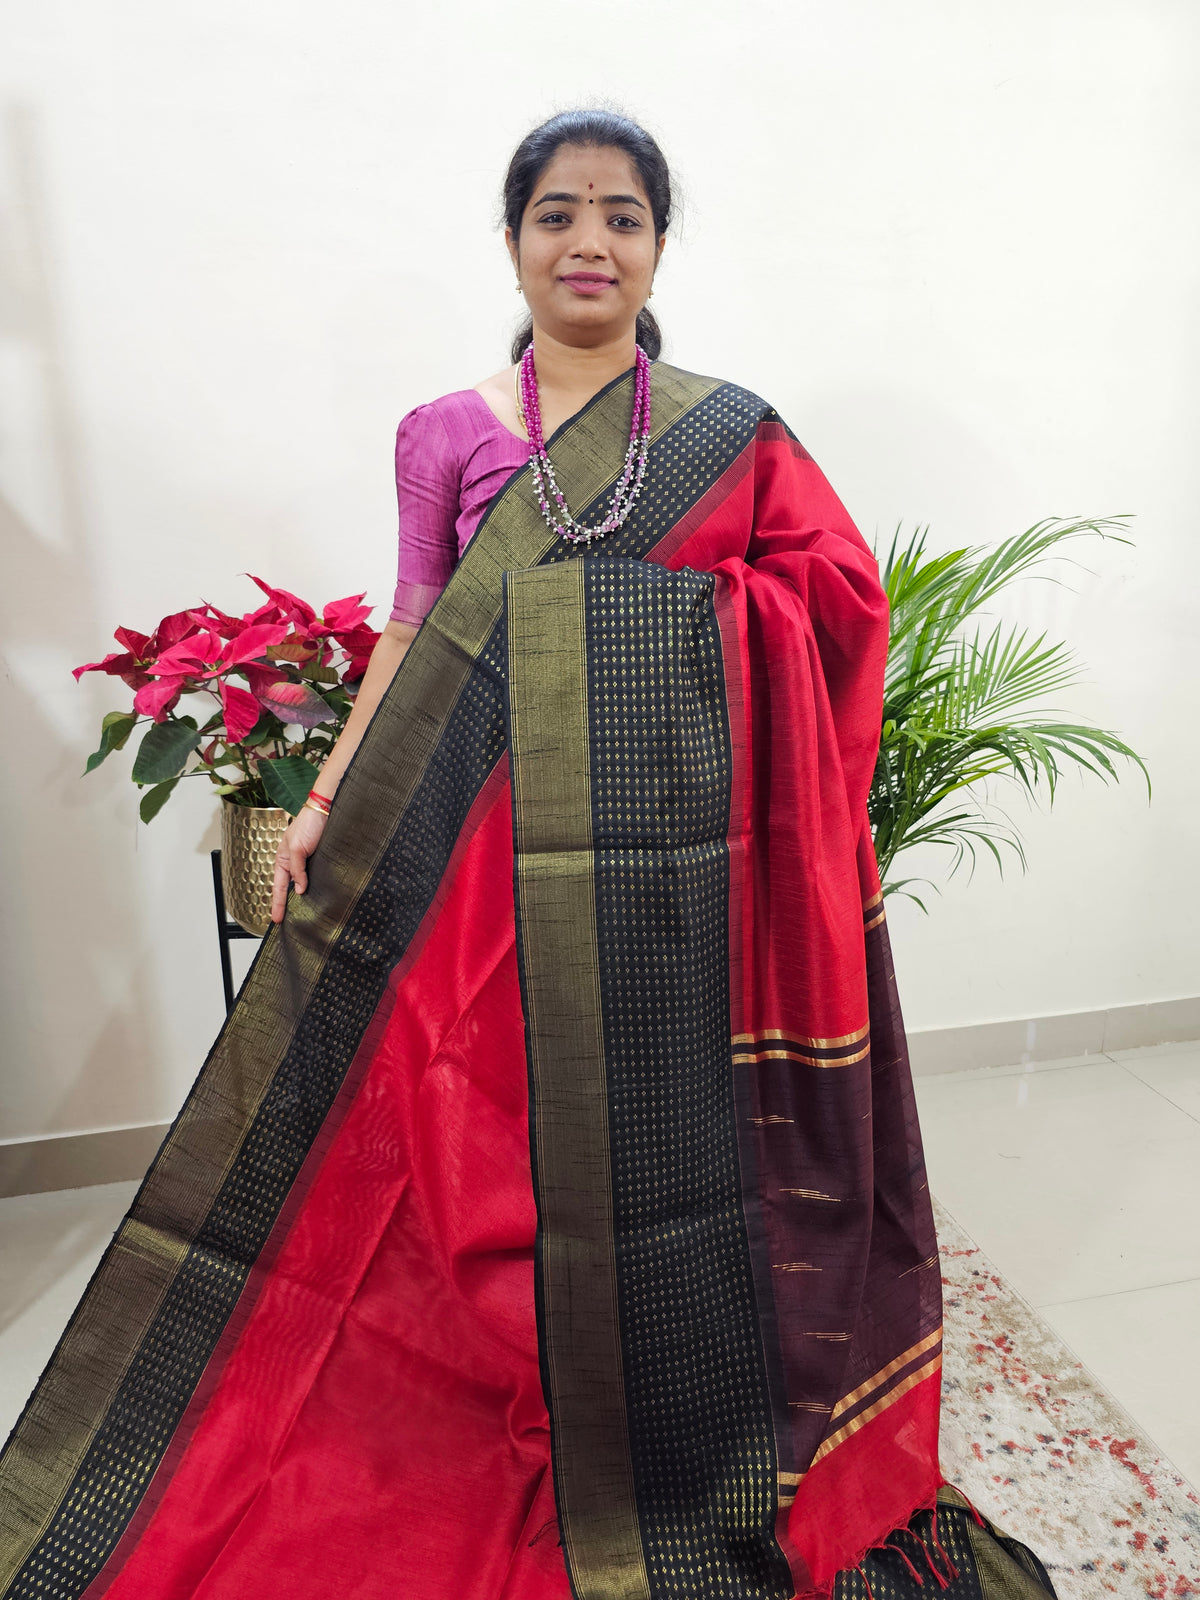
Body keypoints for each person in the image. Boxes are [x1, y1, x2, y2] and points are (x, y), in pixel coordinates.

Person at [0, 110, 1058, 1600]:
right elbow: (419, 624)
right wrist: (316, 807)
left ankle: (661, 1399)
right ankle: (512, 1374)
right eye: (558, 213)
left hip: (665, 883)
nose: (589, 242)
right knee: (481, 1136)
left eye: (622, 217)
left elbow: (832, 602)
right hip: (478, 866)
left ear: (657, 248)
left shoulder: (727, 433)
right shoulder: (446, 428)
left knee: (660, 1137)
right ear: (514, 240)